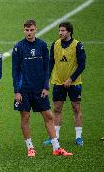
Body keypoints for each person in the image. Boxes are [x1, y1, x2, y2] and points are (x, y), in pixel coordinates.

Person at [12, 19, 72, 157]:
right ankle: (30, 148)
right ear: (23, 30)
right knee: (25, 117)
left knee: (49, 116)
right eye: (27, 30)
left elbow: (47, 68)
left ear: (36, 30)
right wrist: (17, 91)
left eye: (31, 30)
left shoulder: (42, 45)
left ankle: (56, 148)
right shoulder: (18, 47)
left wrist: (46, 86)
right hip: (24, 89)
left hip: (40, 89)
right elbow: (15, 71)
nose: (29, 33)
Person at [43, 22, 86, 146]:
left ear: (69, 32)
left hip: (74, 83)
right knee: (57, 109)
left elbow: (82, 65)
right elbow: (51, 63)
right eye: (59, 30)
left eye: (63, 31)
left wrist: (71, 79)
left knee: (76, 108)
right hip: (58, 82)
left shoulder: (78, 45)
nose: (60, 33)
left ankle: (78, 137)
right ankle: (55, 138)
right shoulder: (55, 44)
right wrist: (47, 80)